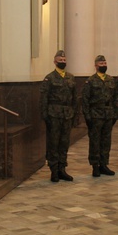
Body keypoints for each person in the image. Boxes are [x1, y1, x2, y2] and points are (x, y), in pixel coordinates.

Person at [40, 50, 77, 182]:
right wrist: (45, 115)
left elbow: (74, 98)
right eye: (60, 60)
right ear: (54, 61)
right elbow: (44, 98)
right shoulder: (49, 78)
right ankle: (54, 170)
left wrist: (75, 115)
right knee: (53, 143)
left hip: (67, 114)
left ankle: (62, 168)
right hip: (53, 114)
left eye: (64, 60)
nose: (63, 62)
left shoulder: (71, 77)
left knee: (64, 142)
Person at [82, 55, 118, 177]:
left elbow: (115, 98)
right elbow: (85, 100)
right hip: (95, 114)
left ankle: (104, 164)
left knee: (106, 141)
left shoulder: (110, 79)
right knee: (95, 141)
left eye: (105, 63)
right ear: (96, 66)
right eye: (101, 63)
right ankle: (95, 166)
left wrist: (115, 114)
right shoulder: (90, 81)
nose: (103, 65)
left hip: (108, 114)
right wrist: (87, 116)